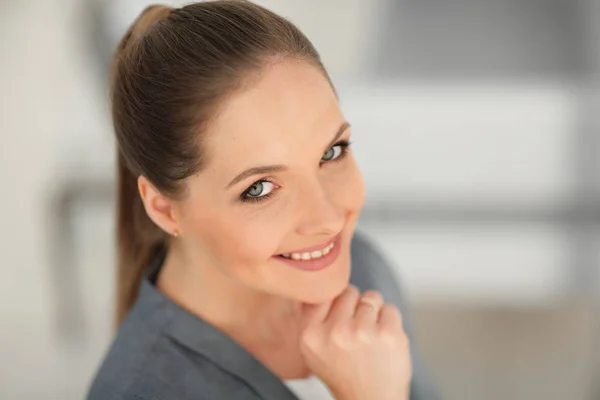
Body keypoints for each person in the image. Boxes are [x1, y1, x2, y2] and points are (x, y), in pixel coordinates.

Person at [87, 2, 439, 399]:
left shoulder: (361, 270)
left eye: (332, 152)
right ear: (164, 208)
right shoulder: (140, 391)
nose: (327, 219)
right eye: (259, 188)